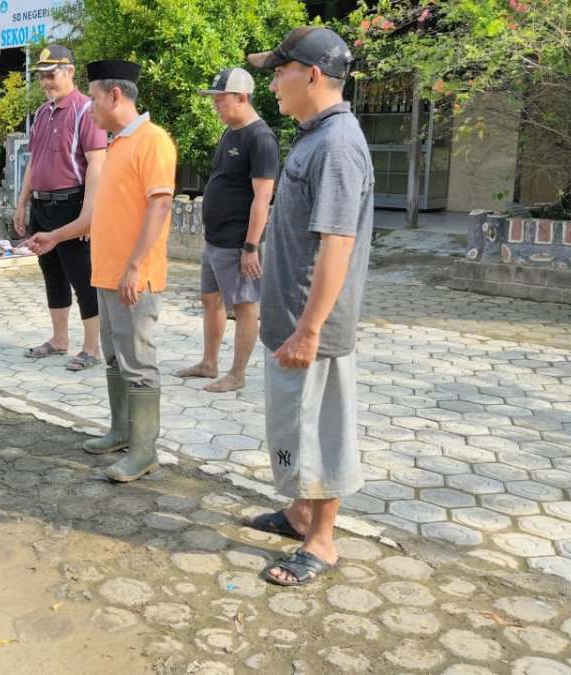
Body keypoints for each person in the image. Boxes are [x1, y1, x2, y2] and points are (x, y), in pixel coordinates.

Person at [243, 26, 374, 586]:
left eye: (279, 71)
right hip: (291, 320)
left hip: (310, 325)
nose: (271, 83)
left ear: (312, 75)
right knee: (295, 427)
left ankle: (322, 544)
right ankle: (300, 515)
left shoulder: (339, 144)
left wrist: (310, 328)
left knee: (321, 430)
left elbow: (337, 243)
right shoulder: (314, 136)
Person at [28, 60, 176, 482]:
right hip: (106, 276)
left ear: (115, 95)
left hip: (134, 279)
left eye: (93, 97)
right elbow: (96, 216)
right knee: (115, 359)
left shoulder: (153, 141)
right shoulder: (116, 146)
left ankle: (144, 451)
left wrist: (134, 267)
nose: (89, 106)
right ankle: (122, 432)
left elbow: (161, 205)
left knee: (138, 363)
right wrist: (54, 236)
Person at [174, 68, 278, 392]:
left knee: (245, 307)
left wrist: (250, 247)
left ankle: (237, 374)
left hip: (236, 242)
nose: (215, 106)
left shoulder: (260, 138)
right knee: (210, 299)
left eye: (220, 100)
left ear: (241, 98)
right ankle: (209, 362)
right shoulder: (230, 131)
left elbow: (262, 198)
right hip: (214, 238)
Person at [12, 44, 107, 372]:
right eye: (42, 77)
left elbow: (97, 163)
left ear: (69, 71)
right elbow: (33, 161)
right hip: (42, 204)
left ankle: (92, 347)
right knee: (51, 270)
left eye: (51, 75)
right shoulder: (41, 113)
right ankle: (59, 339)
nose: (46, 82)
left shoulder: (86, 110)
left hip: (72, 204)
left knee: (83, 276)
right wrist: (22, 202)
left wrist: (88, 215)